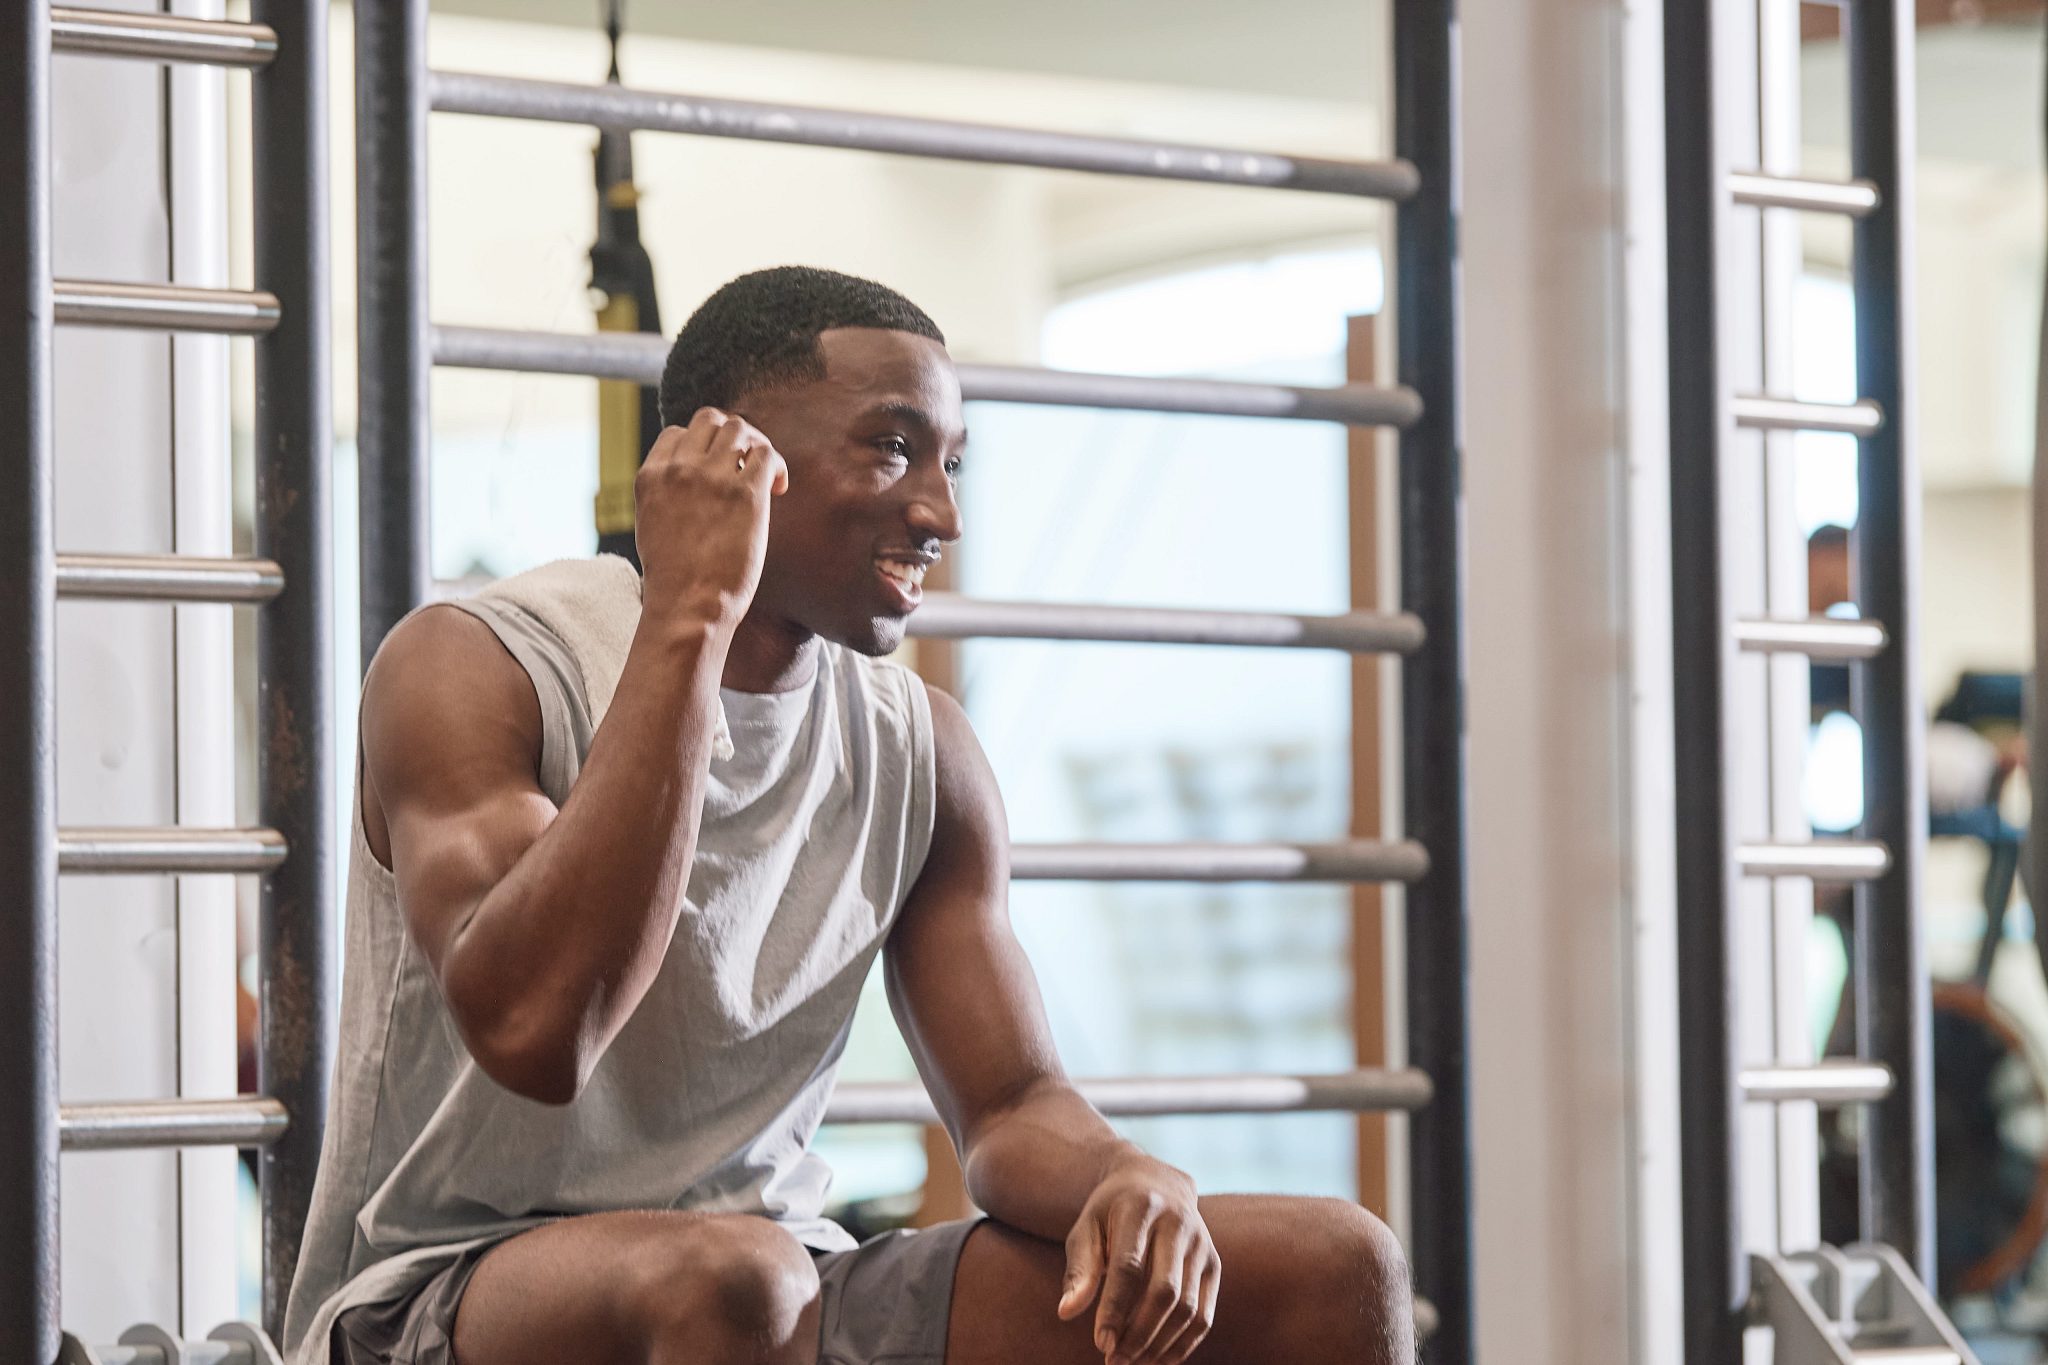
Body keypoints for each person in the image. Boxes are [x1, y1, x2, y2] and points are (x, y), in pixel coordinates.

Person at [282, 266, 1412, 1365]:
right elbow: (538, 1032)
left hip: (783, 1280)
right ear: (728, 456)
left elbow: (1012, 1105)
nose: (939, 512)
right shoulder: (482, 664)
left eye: (951, 461)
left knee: (1328, 1268)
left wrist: (1121, 1173)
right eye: (890, 446)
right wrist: (691, 615)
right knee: (734, 1282)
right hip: (443, 1297)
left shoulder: (917, 748)